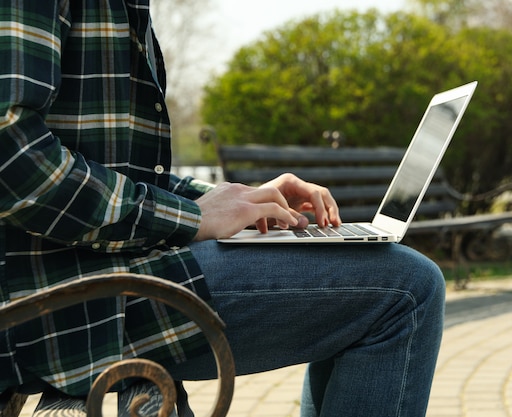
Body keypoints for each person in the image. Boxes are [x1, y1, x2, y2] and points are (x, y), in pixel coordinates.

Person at [0, 1, 445, 416]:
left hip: (99, 268)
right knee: (407, 290)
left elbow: (121, 170)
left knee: (382, 279)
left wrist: (238, 200)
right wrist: (192, 218)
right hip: (58, 296)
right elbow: (12, 158)